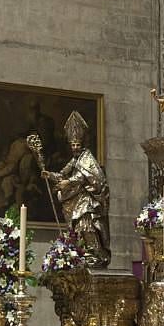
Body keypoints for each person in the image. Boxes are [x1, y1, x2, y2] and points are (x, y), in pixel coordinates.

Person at [42, 111, 111, 268]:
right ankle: (82, 252)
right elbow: (62, 173)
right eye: (72, 145)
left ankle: (95, 253)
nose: (75, 147)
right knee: (77, 228)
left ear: (82, 145)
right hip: (76, 201)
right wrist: (50, 175)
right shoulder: (75, 159)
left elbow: (86, 178)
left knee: (86, 225)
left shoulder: (87, 159)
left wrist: (68, 182)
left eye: (77, 145)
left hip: (87, 201)